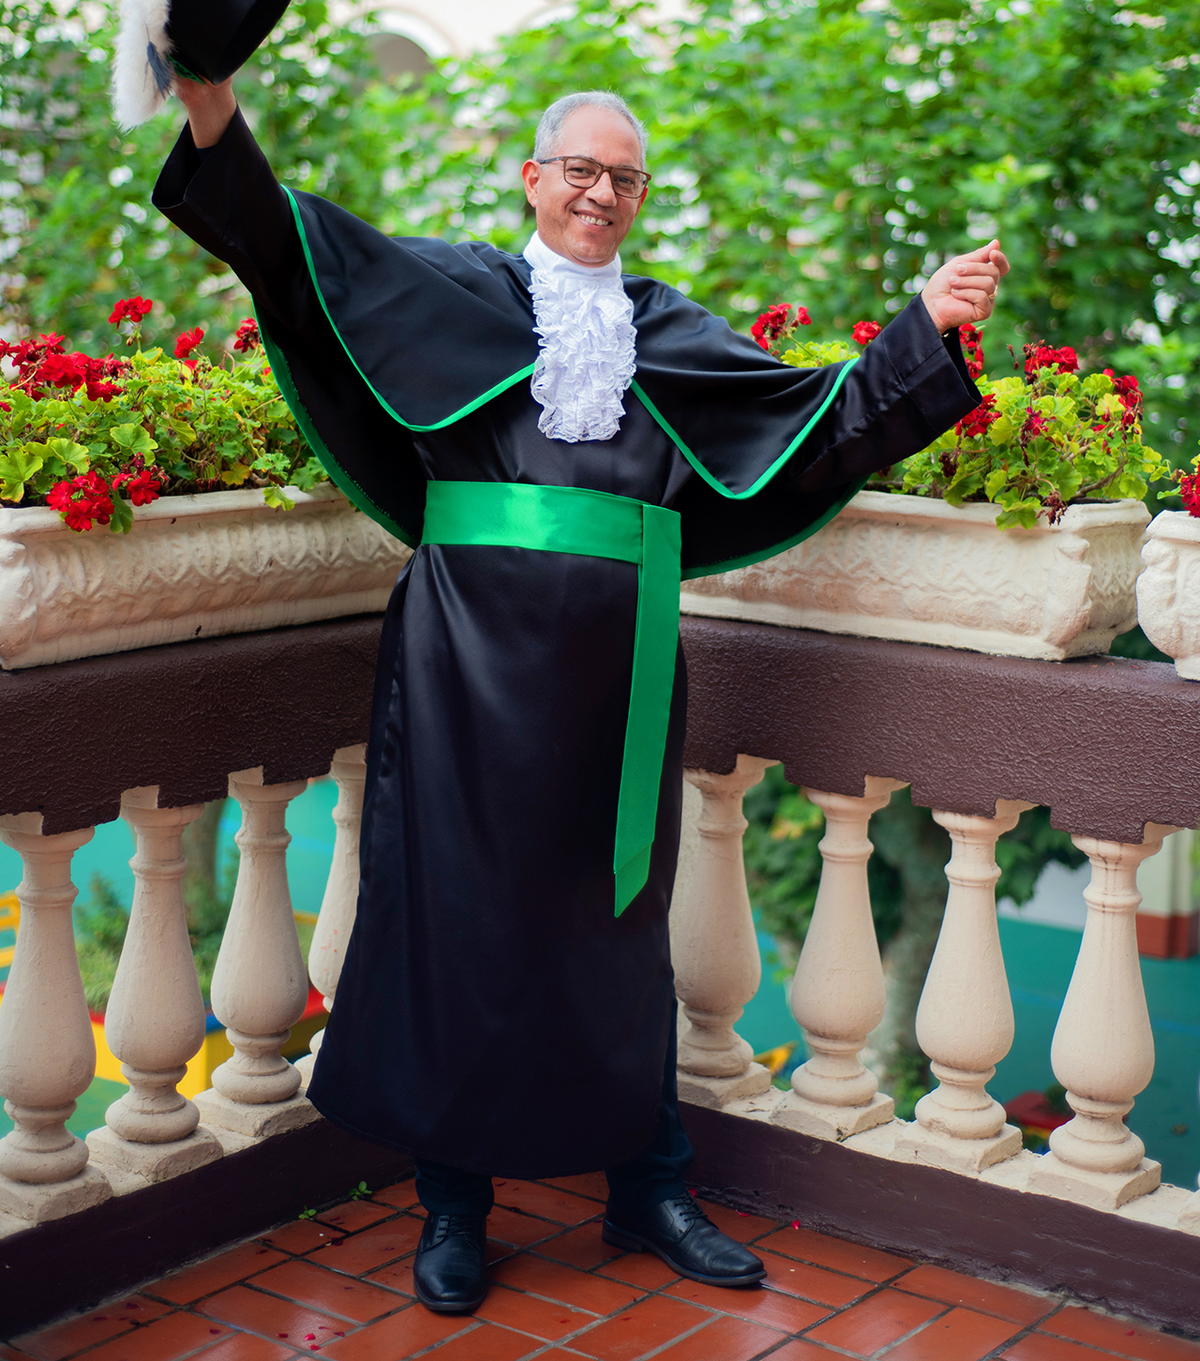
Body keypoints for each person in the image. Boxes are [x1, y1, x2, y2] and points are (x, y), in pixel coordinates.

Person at [158, 78, 1006, 1315]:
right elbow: (294, 251)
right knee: (457, 914)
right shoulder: (455, 291)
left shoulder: (670, 330)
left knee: (618, 921)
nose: (602, 194)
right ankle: (454, 1203)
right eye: (581, 170)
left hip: (621, 674)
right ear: (534, 177)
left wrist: (923, 323)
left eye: (625, 178)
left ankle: (647, 1187)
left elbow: (807, 420)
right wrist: (211, 104)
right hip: (461, 667)